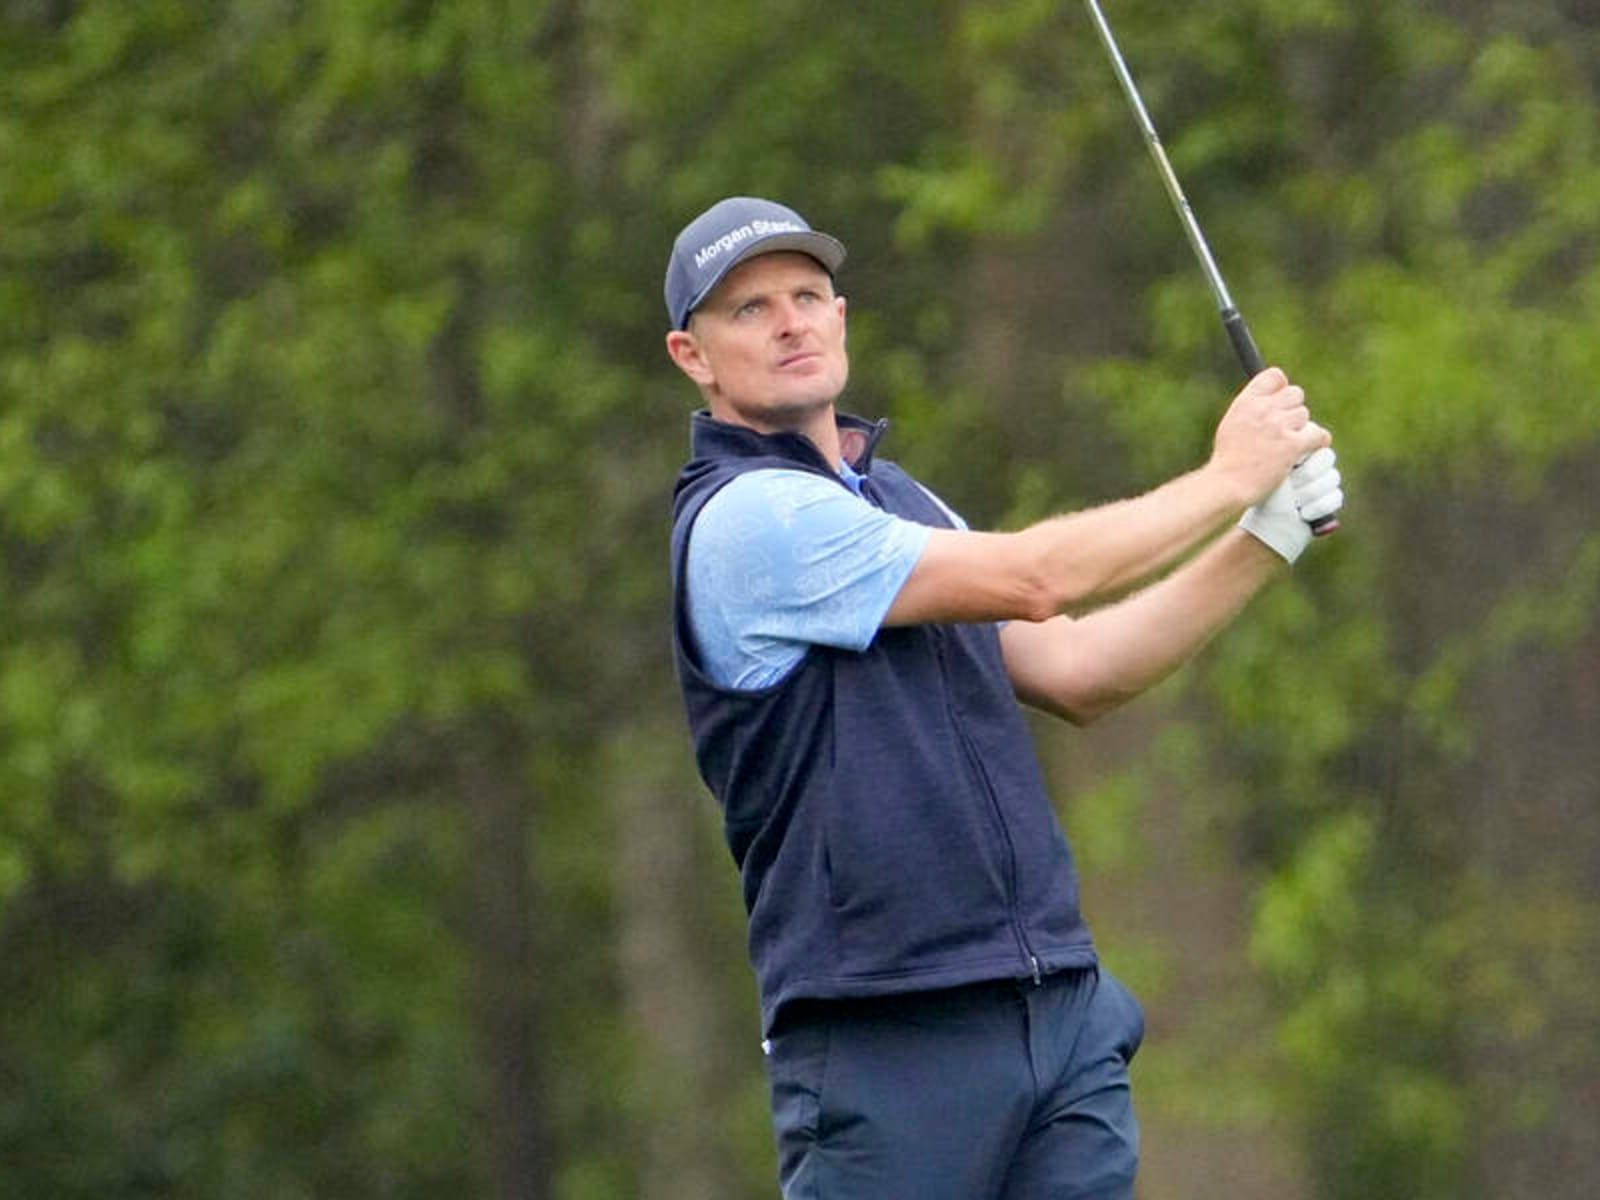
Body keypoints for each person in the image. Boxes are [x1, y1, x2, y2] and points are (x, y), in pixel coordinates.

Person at [662, 196, 1343, 1200]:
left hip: (1055, 1013)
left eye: (806, 296)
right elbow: (1037, 579)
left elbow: (1077, 669)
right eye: (749, 309)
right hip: (886, 1035)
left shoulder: (896, 500)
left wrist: (1265, 535)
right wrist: (1227, 477)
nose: (790, 323)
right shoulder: (748, 521)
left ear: (841, 318)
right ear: (694, 357)